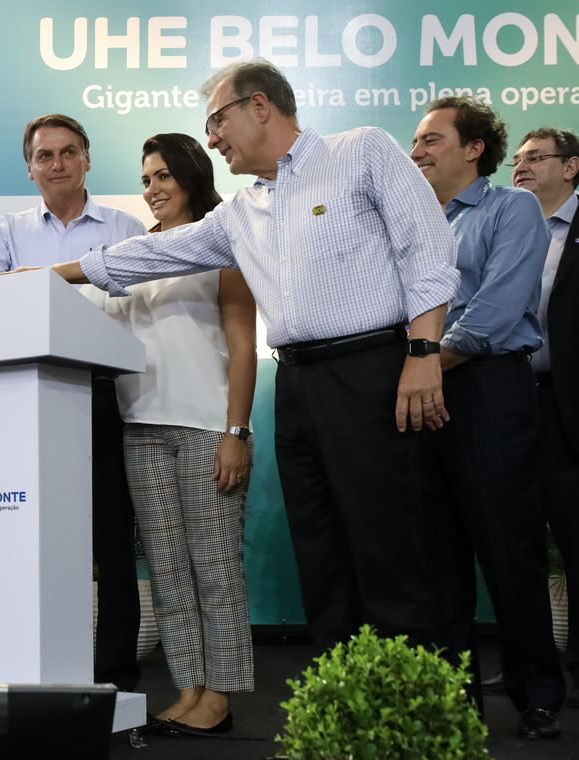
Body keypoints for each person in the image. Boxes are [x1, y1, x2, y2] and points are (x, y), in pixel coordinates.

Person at [32, 60, 460, 656]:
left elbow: (428, 247)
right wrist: (43, 277)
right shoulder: (240, 211)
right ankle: (338, 697)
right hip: (297, 384)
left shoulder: (360, 151)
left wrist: (423, 350)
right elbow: (147, 257)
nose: (212, 139)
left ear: (259, 105)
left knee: (391, 550)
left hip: (370, 372)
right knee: (320, 554)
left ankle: (416, 703)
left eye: (216, 121)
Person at [0, 113, 147, 691]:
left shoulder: (124, 226)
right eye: (45, 156)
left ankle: (115, 673)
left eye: (68, 152)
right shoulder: (9, 229)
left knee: (111, 540)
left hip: (103, 394)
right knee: (33, 536)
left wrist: (32, 280)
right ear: (30, 168)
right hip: (29, 399)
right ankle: (36, 663)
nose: (58, 164)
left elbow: (139, 300)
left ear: (87, 159)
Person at [83, 133, 257, 735]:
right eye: (146, 179)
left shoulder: (221, 242)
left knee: (215, 567)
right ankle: (189, 690)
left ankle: (220, 697)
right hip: (140, 428)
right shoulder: (132, 252)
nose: (153, 189)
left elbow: (243, 345)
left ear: (190, 176)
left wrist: (237, 431)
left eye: (163, 176)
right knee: (167, 570)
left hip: (208, 425)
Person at [410, 97, 566, 739]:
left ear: (474, 149)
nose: (416, 151)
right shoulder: (413, 222)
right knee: (436, 559)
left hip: (487, 388)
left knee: (509, 550)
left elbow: (496, 312)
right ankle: (453, 702)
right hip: (420, 392)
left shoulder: (512, 208)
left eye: (431, 140)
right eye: (416, 141)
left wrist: (424, 365)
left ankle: (538, 696)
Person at [512, 127, 579, 708]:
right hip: (511, 400)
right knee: (515, 540)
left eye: (535, 157)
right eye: (516, 158)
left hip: (567, 406)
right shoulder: (511, 226)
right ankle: (529, 670)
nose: (521, 166)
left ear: (571, 166)